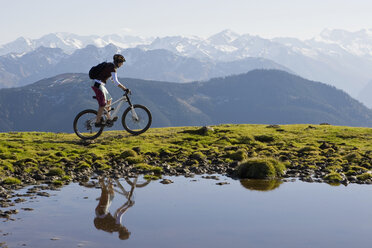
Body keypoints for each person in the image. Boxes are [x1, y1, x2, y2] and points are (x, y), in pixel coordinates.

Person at [91, 54, 130, 127]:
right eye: (121, 63)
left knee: (109, 99)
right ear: (118, 62)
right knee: (102, 104)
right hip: (97, 84)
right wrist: (124, 88)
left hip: (100, 84)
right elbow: (115, 81)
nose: (122, 65)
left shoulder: (110, 65)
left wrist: (122, 87)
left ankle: (108, 118)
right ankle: (97, 122)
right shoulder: (112, 68)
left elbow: (112, 80)